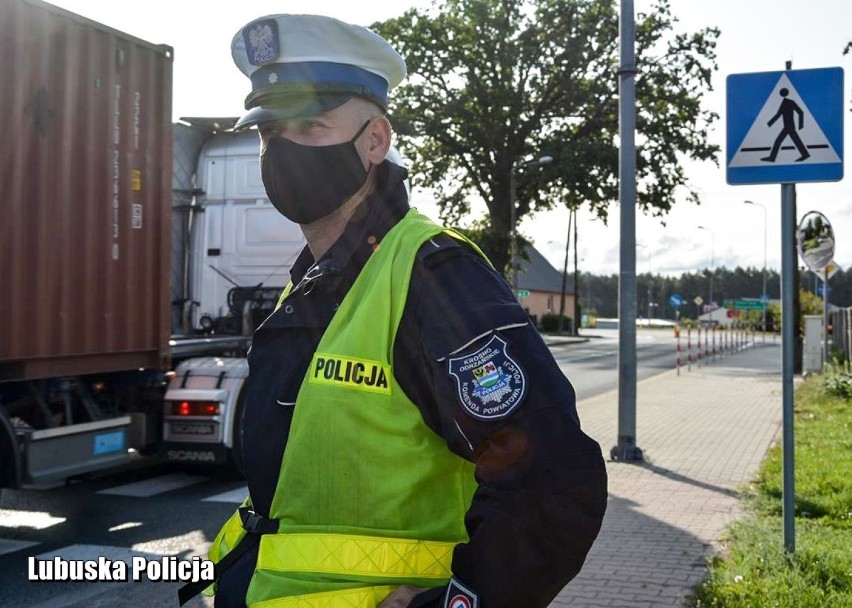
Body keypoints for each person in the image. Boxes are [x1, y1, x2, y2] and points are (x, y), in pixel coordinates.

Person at [189, 13, 607, 608]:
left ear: (376, 140)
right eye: (269, 131)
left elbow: (555, 482)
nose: (282, 148)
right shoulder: (311, 282)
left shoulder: (433, 275)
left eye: (311, 125)